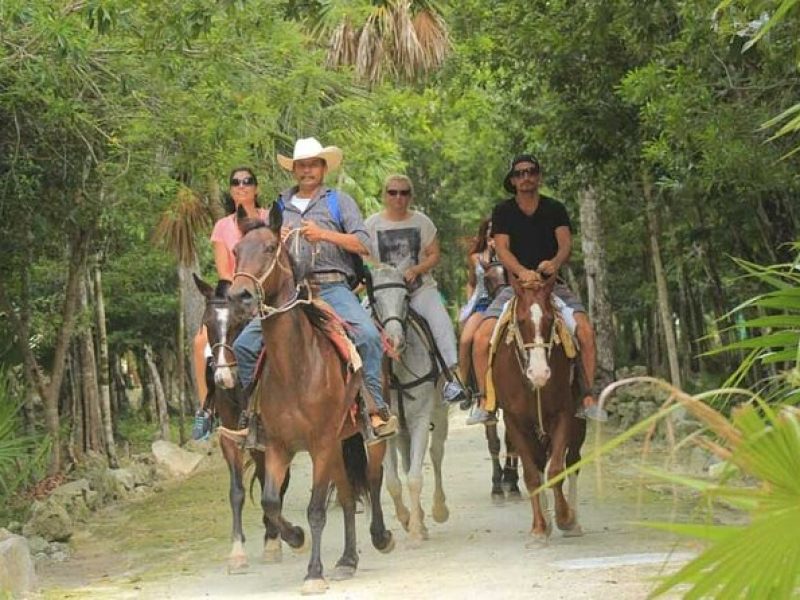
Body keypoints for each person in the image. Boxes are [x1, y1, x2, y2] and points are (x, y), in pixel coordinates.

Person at [232, 137, 398, 438]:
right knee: (243, 345)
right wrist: (275, 237)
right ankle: (254, 417)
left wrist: (323, 234)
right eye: (302, 165)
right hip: (289, 292)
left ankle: (374, 409)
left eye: (313, 165)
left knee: (369, 336)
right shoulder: (278, 205)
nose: (307, 170)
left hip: (332, 286)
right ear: (294, 169)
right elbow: (263, 247)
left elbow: (364, 244)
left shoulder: (339, 201)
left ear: (323, 168)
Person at [471, 154, 608, 424]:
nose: (526, 177)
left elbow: (565, 244)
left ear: (538, 176)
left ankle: (588, 396)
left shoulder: (555, 208)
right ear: (512, 180)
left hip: (552, 287)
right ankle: (485, 400)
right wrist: (522, 272)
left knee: (585, 331)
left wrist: (552, 264)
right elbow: (502, 248)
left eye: (531, 172)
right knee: (479, 338)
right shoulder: (503, 211)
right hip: (515, 289)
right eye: (520, 173)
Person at [364, 174, 466, 404]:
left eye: (404, 192)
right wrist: (380, 268)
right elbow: (363, 254)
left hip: (419, 289)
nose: (398, 197)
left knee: (441, 325)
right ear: (385, 195)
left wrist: (417, 269)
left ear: (410, 196)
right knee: (358, 326)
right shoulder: (371, 224)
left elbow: (434, 254)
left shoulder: (422, 222)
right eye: (393, 192)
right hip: (384, 292)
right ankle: (361, 386)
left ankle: (451, 380)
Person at [191, 167, 267, 440]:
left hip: (268, 292)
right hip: (234, 295)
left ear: (256, 188)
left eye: (248, 181)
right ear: (230, 189)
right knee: (201, 342)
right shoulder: (223, 226)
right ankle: (206, 409)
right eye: (235, 182)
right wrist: (240, 294)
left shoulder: (269, 218)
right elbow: (224, 271)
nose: (241, 186)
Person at [458, 219, 500, 425]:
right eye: (490, 231)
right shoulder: (475, 257)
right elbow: (472, 282)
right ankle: (465, 387)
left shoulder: (512, 251)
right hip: (484, 303)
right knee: (467, 339)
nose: (493, 235)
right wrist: (470, 303)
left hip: (507, 301)